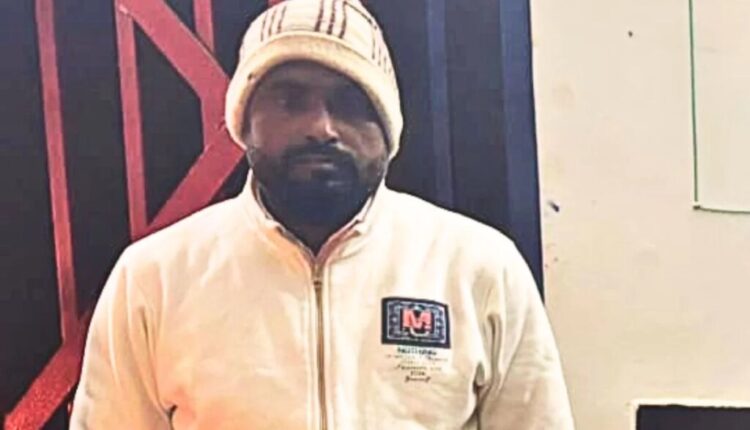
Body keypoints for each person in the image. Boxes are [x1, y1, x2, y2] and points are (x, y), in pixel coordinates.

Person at [70, 0, 574, 428]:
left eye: (350, 103)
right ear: (245, 122)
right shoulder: (154, 278)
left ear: (387, 129)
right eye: (290, 100)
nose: (321, 127)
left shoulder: (477, 267)